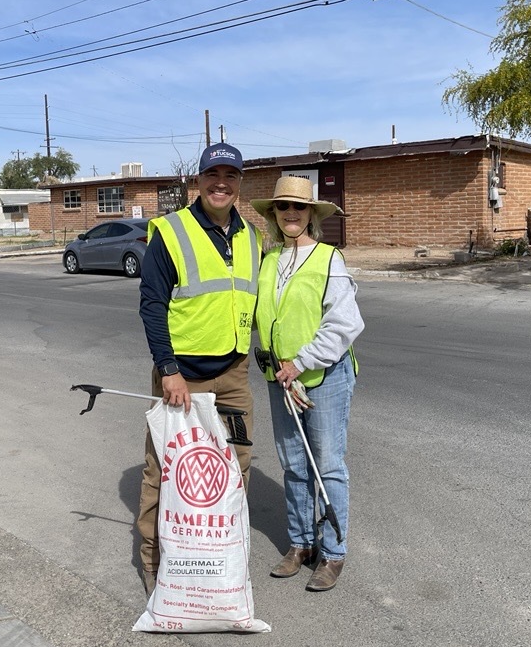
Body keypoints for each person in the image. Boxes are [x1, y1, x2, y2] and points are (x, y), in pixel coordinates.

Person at [137, 142, 263, 595]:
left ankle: (220, 556)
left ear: (240, 183)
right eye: (213, 174)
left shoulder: (252, 235)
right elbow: (152, 305)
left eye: (230, 176)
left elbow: (255, 301)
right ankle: (154, 566)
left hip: (233, 373)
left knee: (236, 467)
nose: (221, 183)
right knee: (165, 470)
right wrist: (167, 369)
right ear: (199, 180)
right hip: (181, 377)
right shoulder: (170, 232)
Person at [251, 175, 363, 593]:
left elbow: (344, 323)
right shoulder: (268, 260)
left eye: (299, 208)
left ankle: (332, 552)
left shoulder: (328, 259)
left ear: (311, 214)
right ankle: (300, 544)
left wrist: (301, 362)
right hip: (281, 379)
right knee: (294, 464)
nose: (291, 214)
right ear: (274, 215)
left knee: (327, 464)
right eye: (283, 208)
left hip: (323, 375)